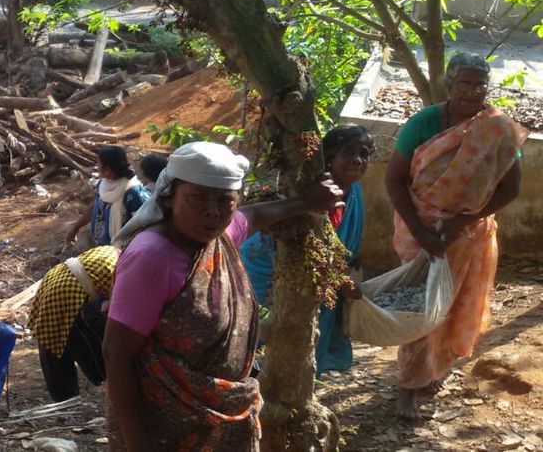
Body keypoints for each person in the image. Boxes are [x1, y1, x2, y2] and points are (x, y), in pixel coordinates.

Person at [105, 141, 344, 451]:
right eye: (197, 198)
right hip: (164, 428)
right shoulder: (152, 257)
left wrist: (305, 202)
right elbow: (116, 354)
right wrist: (137, 445)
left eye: (225, 200)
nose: (212, 211)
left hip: (223, 419)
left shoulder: (217, 239)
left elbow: (251, 217)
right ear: (170, 196)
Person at [386, 52, 527, 419]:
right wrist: (420, 230)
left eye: (480, 84)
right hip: (420, 230)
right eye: (465, 82)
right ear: (450, 84)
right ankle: (408, 388)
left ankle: (434, 369)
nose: (473, 90)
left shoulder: (497, 129)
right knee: (421, 309)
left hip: (468, 233)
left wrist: (464, 220)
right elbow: (394, 179)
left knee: (455, 305)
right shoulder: (424, 122)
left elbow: (511, 188)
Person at [241, 124, 373, 373]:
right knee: (261, 327)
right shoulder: (315, 190)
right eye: (349, 153)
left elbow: (348, 242)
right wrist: (340, 281)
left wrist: (346, 271)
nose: (358, 160)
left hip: (323, 273)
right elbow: (305, 247)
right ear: (330, 157)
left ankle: (300, 375)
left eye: (364, 154)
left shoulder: (353, 192)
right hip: (271, 265)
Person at [28, 245, 118, 402]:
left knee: (52, 341)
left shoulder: (113, 250)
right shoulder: (127, 268)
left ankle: (65, 399)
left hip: (53, 278)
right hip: (67, 290)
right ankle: (71, 397)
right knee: (78, 343)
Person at [65, 146, 148, 249]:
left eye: (99, 163)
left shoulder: (133, 193)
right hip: (103, 247)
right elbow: (94, 207)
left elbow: (144, 224)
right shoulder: (102, 185)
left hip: (126, 249)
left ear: (107, 169)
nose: (97, 166)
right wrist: (75, 228)